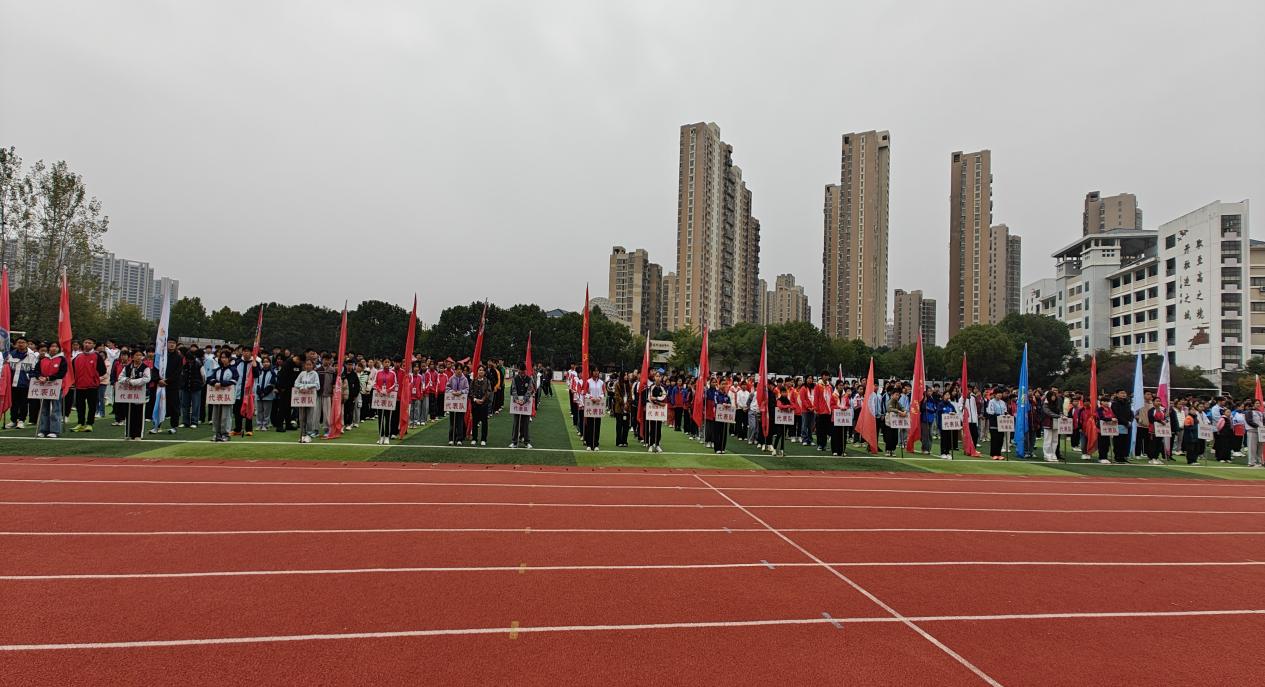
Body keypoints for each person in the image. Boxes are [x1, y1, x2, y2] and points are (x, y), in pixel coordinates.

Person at [69, 338, 106, 433]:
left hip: (92, 386)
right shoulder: (78, 357)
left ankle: (89, 424)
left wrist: (94, 377)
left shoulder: (97, 356)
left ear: (93, 345)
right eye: (85, 342)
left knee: (92, 406)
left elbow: (103, 371)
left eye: (89, 343)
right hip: (79, 385)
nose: (87, 344)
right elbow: (72, 371)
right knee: (80, 406)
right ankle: (80, 424)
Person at [34, 342, 68, 438]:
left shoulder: (62, 360)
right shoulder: (43, 360)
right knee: (44, 409)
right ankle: (43, 430)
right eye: (52, 346)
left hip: (57, 387)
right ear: (49, 348)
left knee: (55, 409)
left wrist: (48, 378)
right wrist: (39, 376)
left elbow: (62, 373)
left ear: (59, 349)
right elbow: (36, 371)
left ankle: (55, 430)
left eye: (56, 347)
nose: (54, 348)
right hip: (44, 387)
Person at [6, 338, 39, 429]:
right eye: (19, 342)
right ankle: (13, 420)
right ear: (16, 344)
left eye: (23, 342)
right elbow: (7, 369)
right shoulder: (11, 355)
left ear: (27, 344)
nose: (20, 344)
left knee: (23, 403)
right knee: (13, 403)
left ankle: (21, 420)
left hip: (25, 384)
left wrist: (30, 378)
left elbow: (35, 369)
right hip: (12, 384)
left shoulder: (32, 355)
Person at [206, 350, 239, 442]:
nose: (223, 359)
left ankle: (225, 434)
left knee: (226, 415)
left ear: (229, 359)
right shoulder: (217, 370)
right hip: (217, 396)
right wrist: (215, 382)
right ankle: (216, 433)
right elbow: (210, 379)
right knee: (215, 416)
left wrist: (221, 383)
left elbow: (234, 381)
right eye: (222, 357)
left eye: (225, 357)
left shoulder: (233, 369)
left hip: (227, 396)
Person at [117, 349, 151, 440]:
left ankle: (138, 435)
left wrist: (134, 382)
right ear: (132, 357)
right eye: (136, 355)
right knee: (129, 413)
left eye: (140, 355)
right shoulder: (128, 367)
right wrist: (127, 380)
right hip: (129, 393)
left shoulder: (145, 367)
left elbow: (146, 379)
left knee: (139, 414)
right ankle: (128, 434)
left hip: (140, 393)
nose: (139, 357)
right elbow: (120, 378)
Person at [509, 362, 535, 449]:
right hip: (516, 403)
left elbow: (530, 390)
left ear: (525, 371)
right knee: (516, 422)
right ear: (518, 370)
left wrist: (524, 400)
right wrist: (517, 399)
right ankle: (514, 441)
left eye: (524, 372)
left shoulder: (529, 378)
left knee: (526, 423)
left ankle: (526, 441)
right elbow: (513, 389)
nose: (522, 373)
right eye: (521, 371)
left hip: (526, 403)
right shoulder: (515, 378)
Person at [374, 359, 398, 445]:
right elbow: (375, 383)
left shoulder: (393, 373)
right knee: (380, 417)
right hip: (380, 398)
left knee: (388, 418)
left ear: (390, 363)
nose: (387, 364)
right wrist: (380, 390)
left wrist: (387, 391)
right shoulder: (378, 372)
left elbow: (395, 384)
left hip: (389, 398)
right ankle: (381, 436)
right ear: (382, 363)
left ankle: (387, 436)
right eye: (385, 362)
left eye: (388, 362)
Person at [446, 363, 470, 445]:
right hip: (452, 402)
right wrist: (452, 392)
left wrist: (461, 392)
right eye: (457, 369)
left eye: (460, 369)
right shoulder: (451, 378)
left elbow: (467, 389)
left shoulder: (465, 379)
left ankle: (459, 439)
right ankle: (451, 438)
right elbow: (447, 388)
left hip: (461, 403)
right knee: (452, 421)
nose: (459, 371)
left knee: (460, 421)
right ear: (455, 370)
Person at [469, 365, 492, 446]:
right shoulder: (473, 381)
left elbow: (489, 391)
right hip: (475, 404)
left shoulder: (487, 381)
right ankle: (474, 438)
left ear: (484, 372)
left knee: (484, 422)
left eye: (482, 370)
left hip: (484, 404)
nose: (481, 371)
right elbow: (470, 391)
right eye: (479, 370)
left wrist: (483, 399)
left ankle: (483, 439)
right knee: (474, 422)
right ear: (477, 371)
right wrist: (475, 399)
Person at [583, 368, 604, 451]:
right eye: (594, 371)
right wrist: (591, 398)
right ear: (592, 372)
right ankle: (589, 444)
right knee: (590, 424)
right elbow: (586, 392)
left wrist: (599, 398)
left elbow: (603, 393)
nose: (596, 372)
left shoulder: (601, 382)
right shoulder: (588, 381)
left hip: (598, 405)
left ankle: (596, 444)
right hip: (590, 404)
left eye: (597, 371)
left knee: (597, 424)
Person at [645, 372, 667, 453]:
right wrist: (657, 401)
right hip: (653, 409)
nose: (658, 378)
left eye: (659, 376)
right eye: (656, 376)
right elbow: (650, 398)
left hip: (660, 410)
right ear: (654, 377)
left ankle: (657, 444)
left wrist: (656, 398)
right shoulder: (651, 387)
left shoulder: (663, 387)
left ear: (661, 378)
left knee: (659, 428)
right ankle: (651, 444)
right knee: (653, 427)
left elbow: (664, 396)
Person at [255, 356, 277, 431]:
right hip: (259, 395)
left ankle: (265, 424)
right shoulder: (259, 372)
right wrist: (259, 392)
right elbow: (257, 383)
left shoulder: (272, 373)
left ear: (270, 363)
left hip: (268, 395)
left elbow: (272, 384)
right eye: (264, 362)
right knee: (259, 410)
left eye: (267, 362)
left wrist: (264, 393)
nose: (265, 364)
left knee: (266, 411)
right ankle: (259, 424)